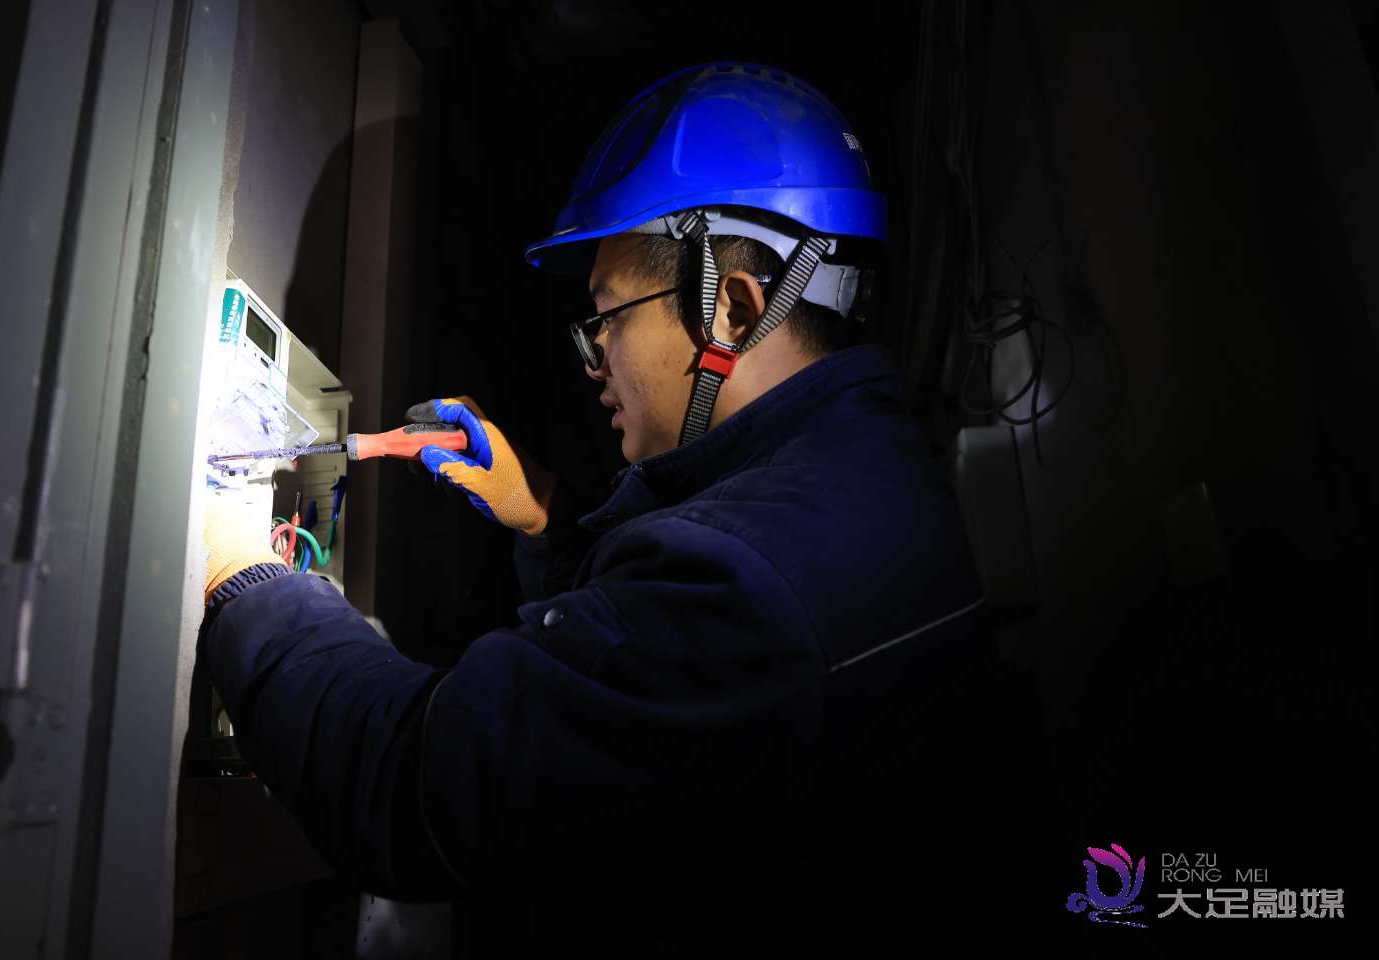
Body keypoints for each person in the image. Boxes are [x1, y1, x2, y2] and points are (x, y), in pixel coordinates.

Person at [202, 61, 996, 955]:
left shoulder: (754, 588)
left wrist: (240, 575)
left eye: (609, 315)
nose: (592, 360)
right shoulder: (874, 475)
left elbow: (410, 784)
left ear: (733, 311)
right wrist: (545, 516)